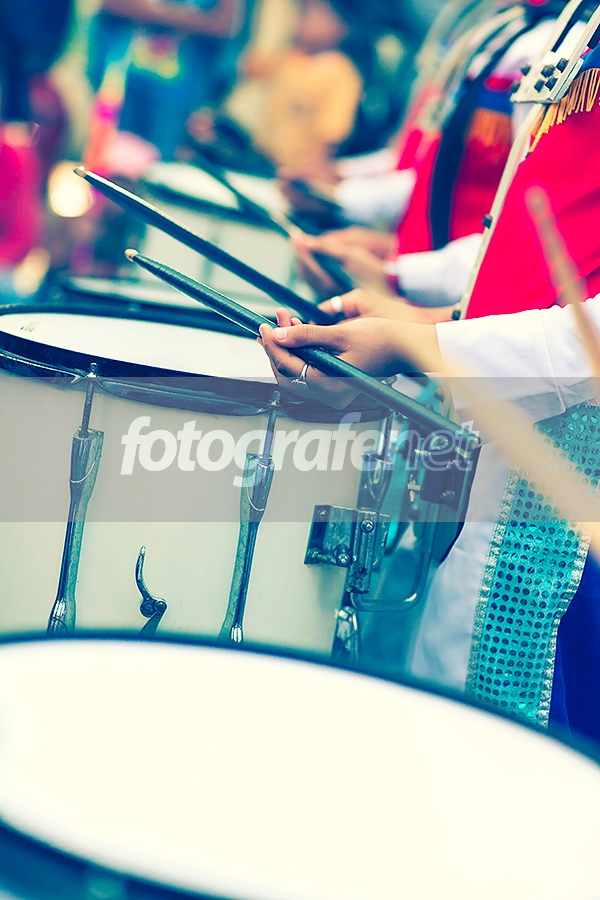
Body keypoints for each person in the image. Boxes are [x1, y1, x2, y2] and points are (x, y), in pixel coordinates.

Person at [287, 0, 577, 309]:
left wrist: (397, 272)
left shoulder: (552, 45)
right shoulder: (493, 24)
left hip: (463, 308)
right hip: (426, 279)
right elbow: (430, 167)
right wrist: (339, 186)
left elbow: (524, 231)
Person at [87, 0, 243, 161]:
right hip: (123, 81)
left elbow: (221, 25)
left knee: (162, 163)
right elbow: (112, 4)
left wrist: (151, 11)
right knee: (106, 157)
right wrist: (185, 17)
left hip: (176, 95)